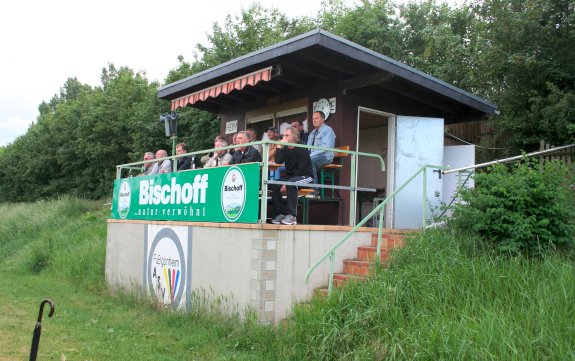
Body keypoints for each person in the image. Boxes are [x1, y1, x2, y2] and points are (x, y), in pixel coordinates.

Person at [270, 127, 314, 225]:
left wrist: (287, 183)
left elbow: (302, 168)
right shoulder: (285, 148)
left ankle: (292, 216)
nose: (284, 137)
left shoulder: (302, 148)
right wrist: (279, 147)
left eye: (286, 135)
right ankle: (280, 214)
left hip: (306, 176)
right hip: (291, 177)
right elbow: (278, 161)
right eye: (283, 135)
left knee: (291, 184)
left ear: (294, 137)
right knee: (273, 184)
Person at [307, 111, 336, 185]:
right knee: (301, 161)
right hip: (314, 156)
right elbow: (307, 148)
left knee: (310, 160)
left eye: (316, 118)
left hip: (325, 157)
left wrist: (310, 156)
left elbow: (325, 148)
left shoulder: (328, 130)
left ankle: (314, 190)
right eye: (313, 118)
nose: (314, 120)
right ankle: (302, 188)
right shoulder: (312, 133)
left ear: (323, 119)